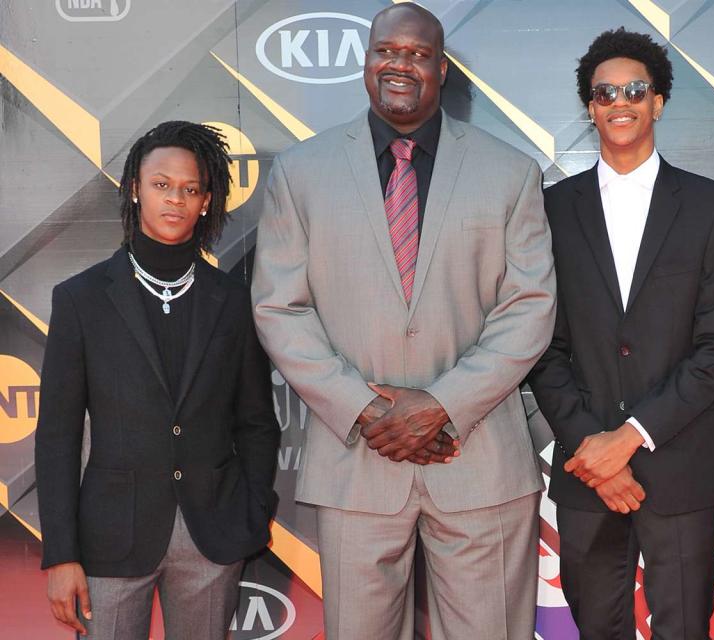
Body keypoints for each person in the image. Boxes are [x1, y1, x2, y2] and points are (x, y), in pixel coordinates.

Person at [250, 4, 555, 639]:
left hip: (481, 461)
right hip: (358, 462)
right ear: (365, 63)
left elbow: (529, 307)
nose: (399, 64)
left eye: (417, 54)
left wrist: (441, 404)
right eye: (386, 50)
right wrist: (368, 410)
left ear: (442, 69)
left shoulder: (511, 173)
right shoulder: (301, 173)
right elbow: (280, 308)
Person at [527, 28, 714, 640]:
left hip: (677, 466)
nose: (619, 102)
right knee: (597, 629)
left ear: (658, 101)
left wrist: (630, 437)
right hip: (585, 471)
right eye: (604, 93)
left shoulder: (711, 207)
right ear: (589, 107)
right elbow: (540, 343)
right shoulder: (550, 209)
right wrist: (590, 448)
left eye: (634, 89)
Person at [35, 121, 280, 638]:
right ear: (134, 189)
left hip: (213, 533)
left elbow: (256, 420)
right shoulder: (80, 299)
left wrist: (253, 512)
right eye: (161, 184)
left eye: (190, 189)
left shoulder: (230, 299)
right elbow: (56, 436)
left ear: (207, 200)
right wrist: (60, 554)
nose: (176, 199)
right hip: (109, 538)